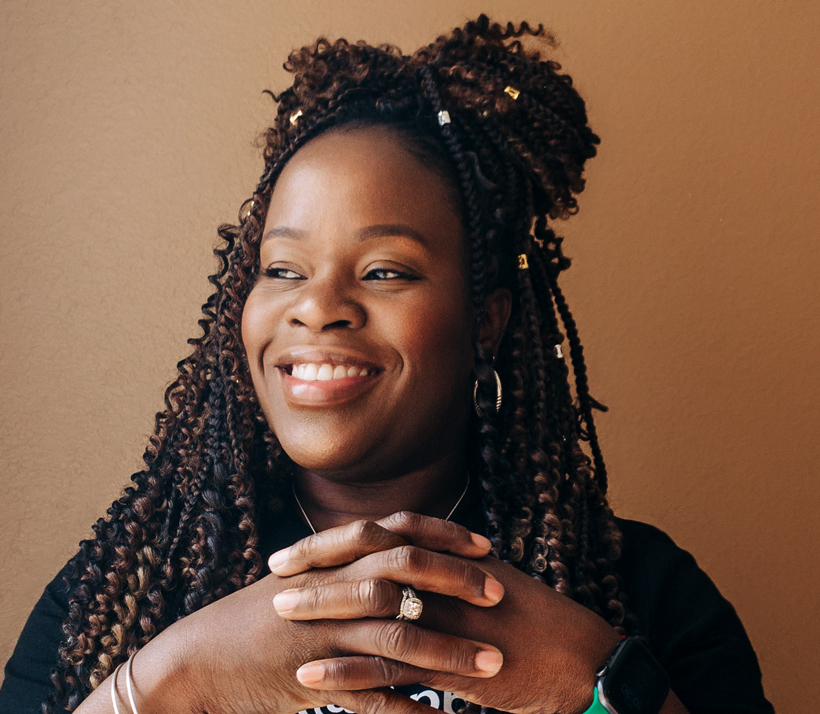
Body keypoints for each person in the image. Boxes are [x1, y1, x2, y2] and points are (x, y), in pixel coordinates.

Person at [0, 16, 773, 714]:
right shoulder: (128, 587)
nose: (318, 305)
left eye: (385, 271)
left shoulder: (644, 594)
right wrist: (180, 678)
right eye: (283, 268)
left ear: (487, 322)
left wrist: (595, 684)